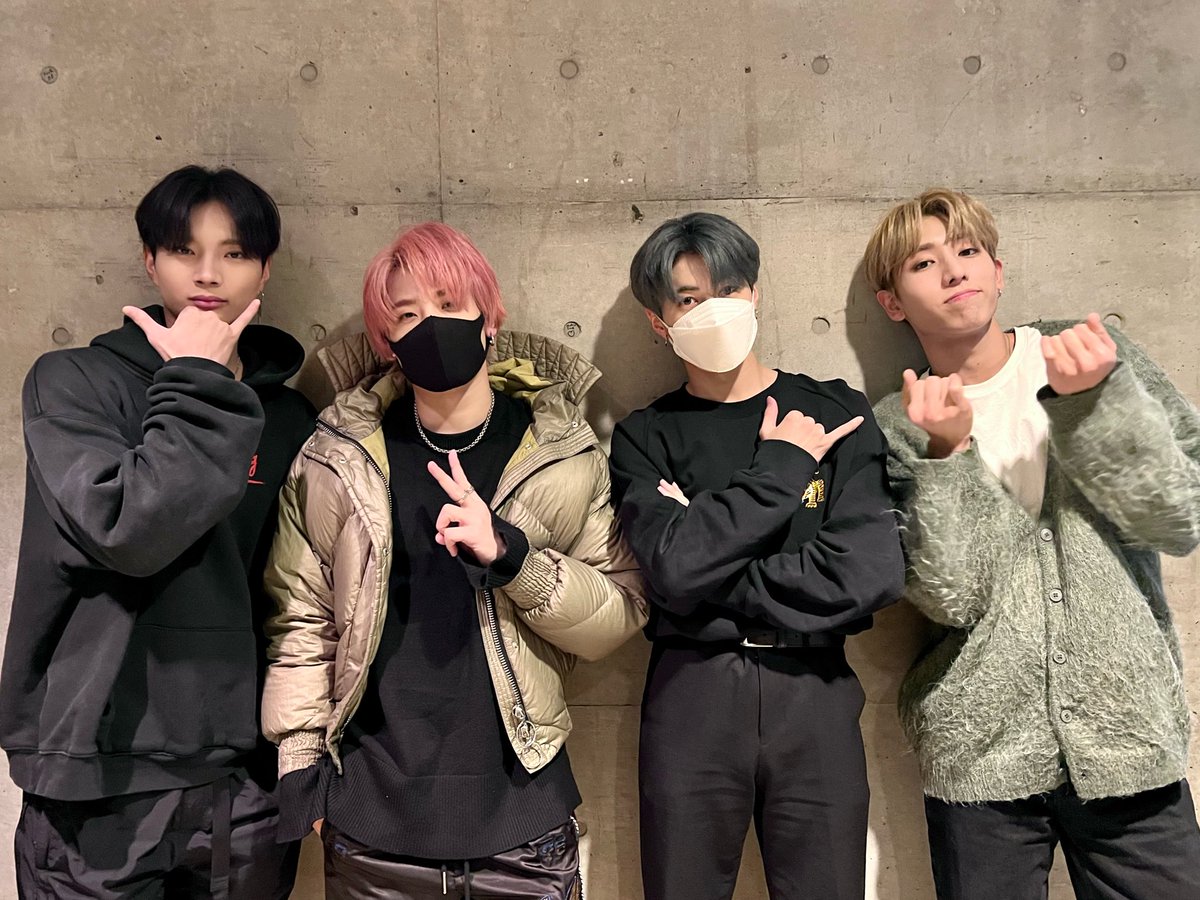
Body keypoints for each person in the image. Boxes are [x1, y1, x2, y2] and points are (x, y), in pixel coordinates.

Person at [260, 221, 647, 899]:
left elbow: (617, 614)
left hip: (523, 822)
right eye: (407, 315)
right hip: (371, 824)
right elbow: (301, 620)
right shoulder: (335, 459)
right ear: (386, 340)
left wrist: (514, 558)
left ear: (489, 317)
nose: (431, 326)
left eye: (448, 303)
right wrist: (300, 772)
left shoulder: (560, 452)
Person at [866, 187, 1200, 900]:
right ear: (892, 302)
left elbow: (1177, 517)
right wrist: (946, 455)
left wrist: (1095, 403)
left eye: (968, 251)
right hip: (980, 754)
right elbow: (953, 598)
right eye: (923, 263)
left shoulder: (1089, 354)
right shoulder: (899, 422)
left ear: (998, 270)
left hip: (1128, 736)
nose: (954, 270)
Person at [1, 165, 313, 898]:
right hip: (96, 775)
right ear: (149, 260)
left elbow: (295, 594)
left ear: (265, 267)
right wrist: (199, 380)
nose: (208, 274)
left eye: (235, 253)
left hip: (242, 785)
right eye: (183, 250)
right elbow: (130, 530)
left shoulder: (289, 418)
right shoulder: (73, 384)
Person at [608, 211, 904, 900]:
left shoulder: (834, 411)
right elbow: (670, 569)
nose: (714, 309)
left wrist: (703, 564)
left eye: (729, 289)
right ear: (658, 321)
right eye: (688, 298)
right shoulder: (645, 436)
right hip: (692, 692)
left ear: (755, 293)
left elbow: (869, 572)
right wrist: (782, 467)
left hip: (816, 690)